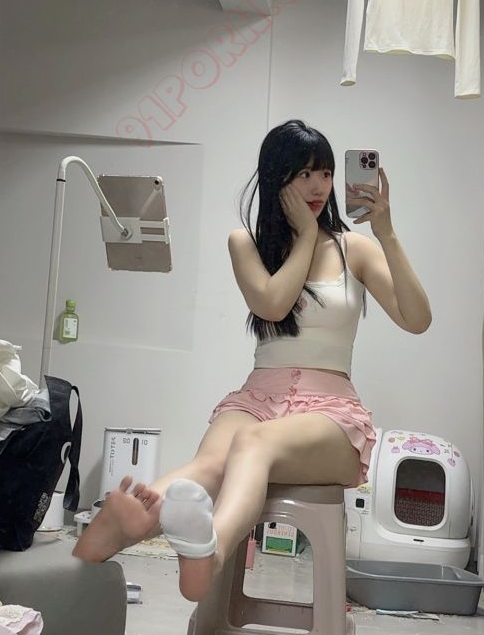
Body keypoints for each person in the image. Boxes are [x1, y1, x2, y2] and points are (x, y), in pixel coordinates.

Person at [74, 119, 431, 601]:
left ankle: (212, 551)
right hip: (258, 396)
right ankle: (129, 519)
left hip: (332, 415)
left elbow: (417, 319)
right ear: (275, 178)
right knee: (211, 463)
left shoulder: (355, 250)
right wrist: (305, 237)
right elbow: (273, 304)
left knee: (252, 443)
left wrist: (386, 234)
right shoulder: (245, 243)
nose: (318, 186)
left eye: (325, 173)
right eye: (304, 174)